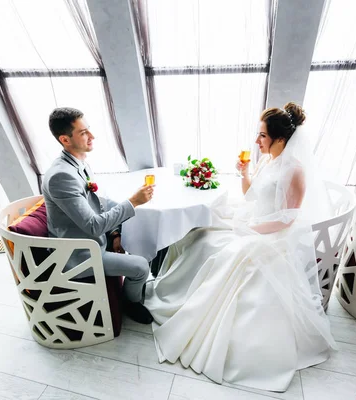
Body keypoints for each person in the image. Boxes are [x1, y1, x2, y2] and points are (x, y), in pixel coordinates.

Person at [144, 102, 337, 392]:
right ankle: (177, 292)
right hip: (251, 220)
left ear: (280, 138)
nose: (257, 141)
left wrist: (251, 230)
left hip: (272, 236)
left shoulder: (295, 170)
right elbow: (251, 195)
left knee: (222, 252)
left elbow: (288, 218)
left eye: (262, 136)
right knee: (199, 235)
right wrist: (245, 173)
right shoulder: (267, 159)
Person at [42, 107, 154, 324]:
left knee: (140, 238)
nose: (92, 136)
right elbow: (93, 226)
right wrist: (133, 202)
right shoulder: (61, 177)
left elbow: (97, 204)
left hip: (95, 241)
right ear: (65, 139)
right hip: (78, 254)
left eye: (89, 130)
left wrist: (114, 234)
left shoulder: (79, 164)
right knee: (141, 266)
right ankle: (130, 304)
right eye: (83, 133)